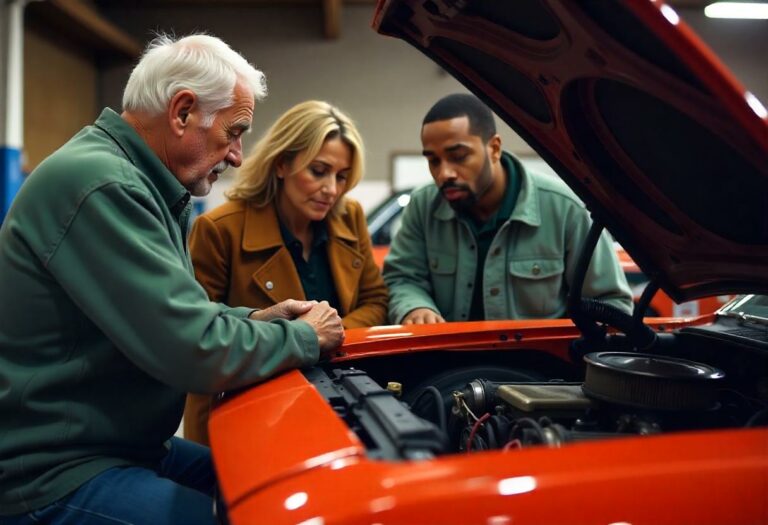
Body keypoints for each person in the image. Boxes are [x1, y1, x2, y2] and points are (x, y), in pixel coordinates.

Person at [0, 34, 343, 525]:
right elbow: (191, 349)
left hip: (122, 444)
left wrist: (254, 318)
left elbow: (180, 315)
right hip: (52, 469)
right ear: (182, 112)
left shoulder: (146, 185)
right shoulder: (104, 184)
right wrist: (302, 338)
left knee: (283, 486)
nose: (239, 157)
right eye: (234, 132)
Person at [183, 100, 388, 445]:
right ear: (281, 164)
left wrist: (327, 335)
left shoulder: (348, 215)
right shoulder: (219, 230)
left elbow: (375, 299)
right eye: (319, 171)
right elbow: (200, 342)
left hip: (344, 402)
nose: (331, 190)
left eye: (341, 177)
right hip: (253, 415)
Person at [383, 93, 632, 324]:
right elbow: (403, 278)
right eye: (433, 160)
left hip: (540, 369)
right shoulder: (422, 206)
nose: (444, 173)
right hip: (446, 365)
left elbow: (610, 302)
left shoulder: (566, 209)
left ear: (494, 148)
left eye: (458, 156)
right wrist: (414, 307)